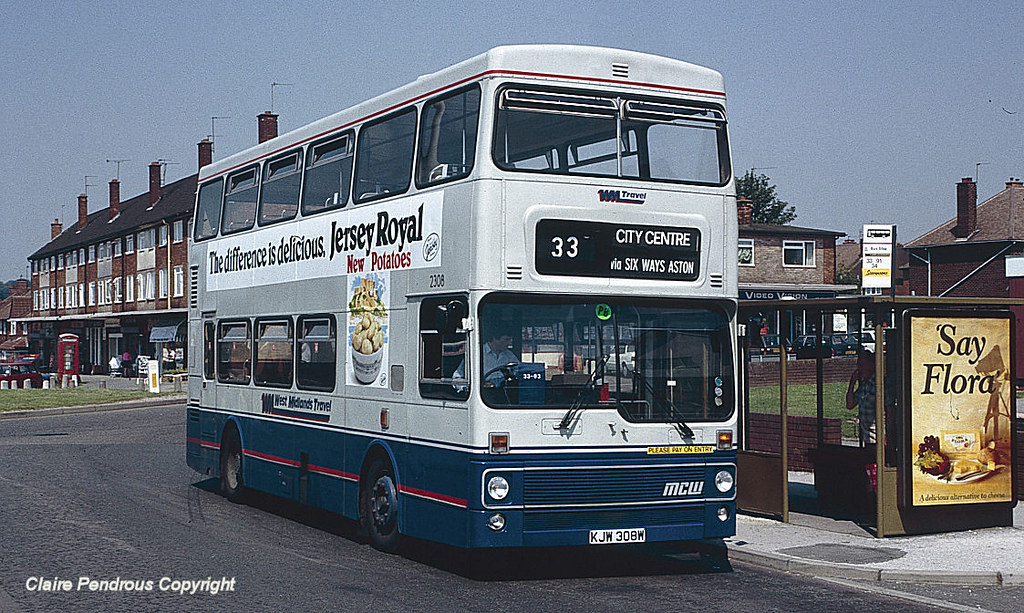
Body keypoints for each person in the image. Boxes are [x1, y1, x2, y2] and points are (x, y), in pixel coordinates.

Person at [454, 328, 519, 387]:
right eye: (506, 340)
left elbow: (518, 371)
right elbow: (457, 378)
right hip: (483, 394)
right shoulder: (477, 353)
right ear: (495, 339)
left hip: (505, 392)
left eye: (510, 340)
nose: (509, 343)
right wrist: (467, 389)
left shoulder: (509, 355)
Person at [847, 350, 884, 446]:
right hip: (867, 439)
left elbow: (890, 413)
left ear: (871, 365)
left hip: (879, 441)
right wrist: (852, 384)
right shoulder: (864, 386)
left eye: (861, 365)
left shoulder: (880, 385)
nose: (859, 369)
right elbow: (850, 405)